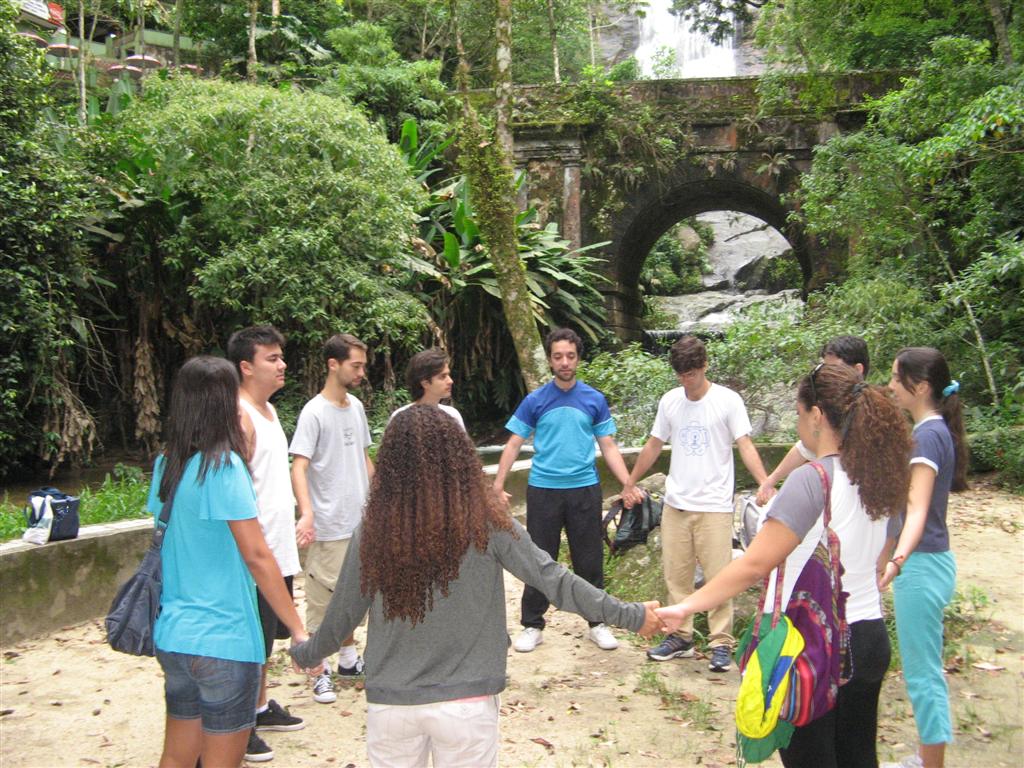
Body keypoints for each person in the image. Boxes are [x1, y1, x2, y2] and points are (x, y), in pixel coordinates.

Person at [290, 405, 662, 767]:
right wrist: (631, 616)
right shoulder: (487, 523)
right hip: (467, 706)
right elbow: (554, 580)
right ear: (460, 459)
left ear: (391, 467)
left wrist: (306, 654)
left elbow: (342, 616)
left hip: (392, 705)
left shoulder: (373, 531)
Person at [656, 363, 911, 768]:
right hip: (868, 639)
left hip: (812, 646)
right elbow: (884, 555)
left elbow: (755, 564)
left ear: (816, 416)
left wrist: (686, 606)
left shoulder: (811, 480)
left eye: (797, 412)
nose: (797, 421)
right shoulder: (880, 477)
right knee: (859, 757)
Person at [149, 356, 307, 768]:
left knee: (177, 756)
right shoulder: (222, 467)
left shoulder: (168, 464)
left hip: (174, 637)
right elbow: (257, 555)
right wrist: (296, 628)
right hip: (224, 641)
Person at [622, 334, 770, 672]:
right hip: (677, 503)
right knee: (677, 575)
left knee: (720, 576)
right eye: (680, 375)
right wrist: (630, 480)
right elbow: (653, 445)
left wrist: (764, 480)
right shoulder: (670, 402)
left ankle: (721, 642)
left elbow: (744, 444)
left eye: (691, 374)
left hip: (715, 505)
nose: (686, 381)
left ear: (704, 366)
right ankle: (680, 636)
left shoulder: (728, 401)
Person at [491, 327, 633, 653]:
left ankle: (597, 622)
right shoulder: (536, 400)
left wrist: (627, 482)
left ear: (578, 359)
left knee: (589, 558)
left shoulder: (594, 399)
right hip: (543, 490)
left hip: (584, 490)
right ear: (551, 361)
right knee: (539, 557)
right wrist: (497, 485)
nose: (565, 362)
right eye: (558, 357)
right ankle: (532, 624)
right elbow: (513, 443)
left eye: (570, 356)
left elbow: (608, 446)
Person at [879, 347, 967, 768]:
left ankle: (932, 762)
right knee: (922, 668)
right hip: (926, 560)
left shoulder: (929, 435)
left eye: (897, 379)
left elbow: (916, 508)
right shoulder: (932, 431)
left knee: (922, 672)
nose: (890, 385)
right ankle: (926, 756)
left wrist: (897, 559)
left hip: (922, 564)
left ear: (921, 387)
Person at [227, 325, 304, 762]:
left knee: (265, 640)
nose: (282, 365)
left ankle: (258, 706)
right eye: (272, 359)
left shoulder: (270, 412)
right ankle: (240, 724)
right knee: (249, 642)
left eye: (281, 356)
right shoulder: (239, 415)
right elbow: (231, 490)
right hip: (253, 554)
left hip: (280, 547)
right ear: (246, 366)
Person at [290, 333, 374, 704]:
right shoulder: (314, 412)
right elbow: (299, 466)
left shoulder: (355, 406)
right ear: (333, 364)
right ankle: (318, 669)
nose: (360, 373)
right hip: (328, 525)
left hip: (359, 522)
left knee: (353, 595)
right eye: (355, 365)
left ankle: (349, 660)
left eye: (362, 366)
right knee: (323, 600)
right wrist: (307, 513)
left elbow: (364, 457)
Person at [757, 335, 870, 505]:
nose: (826, 376)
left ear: (858, 369)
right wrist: (770, 481)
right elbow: (804, 448)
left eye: (834, 369)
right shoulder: (830, 406)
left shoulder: (869, 413)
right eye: (825, 369)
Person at [389, 347, 465, 430]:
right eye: (443, 376)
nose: (450, 381)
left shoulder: (452, 414)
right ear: (425, 383)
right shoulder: (402, 418)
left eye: (448, 375)